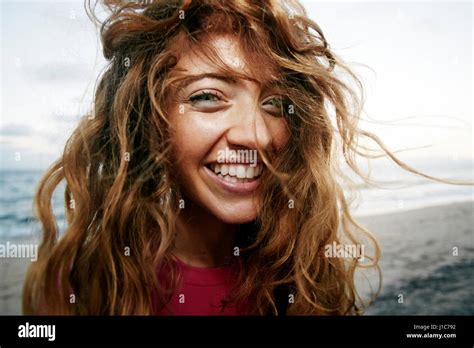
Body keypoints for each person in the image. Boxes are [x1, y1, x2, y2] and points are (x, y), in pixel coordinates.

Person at [23, 0, 457, 315]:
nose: (258, 134)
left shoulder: (301, 268)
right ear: (148, 119)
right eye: (208, 96)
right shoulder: (82, 284)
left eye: (274, 104)